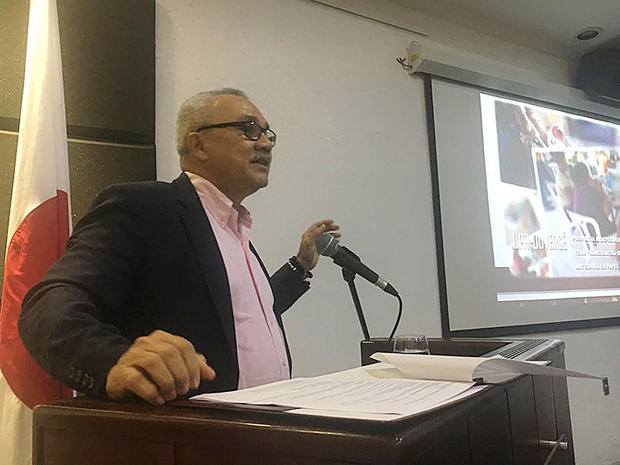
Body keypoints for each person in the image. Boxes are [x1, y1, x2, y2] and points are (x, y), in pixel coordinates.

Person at [18, 88, 339, 406]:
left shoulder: (236, 231)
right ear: (198, 144)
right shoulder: (145, 208)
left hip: (269, 432)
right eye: (249, 129)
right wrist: (111, 361)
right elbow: (48, 303)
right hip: (191, 441)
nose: (266, 143)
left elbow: (241, 316)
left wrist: (300, 266)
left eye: (268, 133)